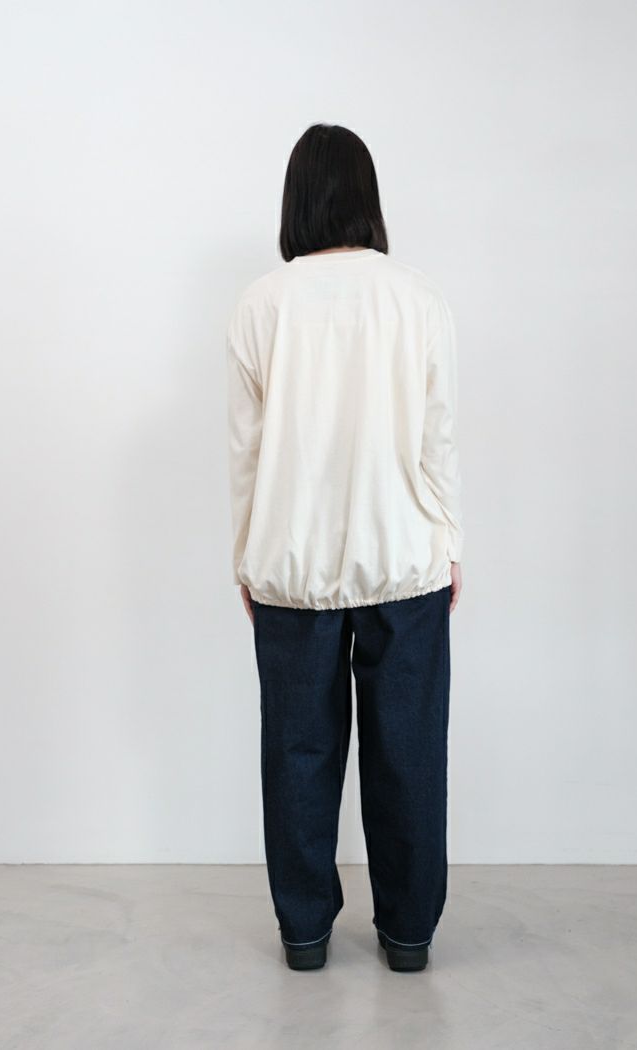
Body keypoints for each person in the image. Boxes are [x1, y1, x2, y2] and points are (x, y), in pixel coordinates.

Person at [225, 123, 464, 972]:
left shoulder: (261, 303)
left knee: (298, 752)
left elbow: (247, 449)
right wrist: (451, 541)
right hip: (403, 556)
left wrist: (247, 555)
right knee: (409, 752)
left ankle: (304, 936)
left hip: (290, 565)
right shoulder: (417, 297)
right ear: (368, 197)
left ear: (296, 199)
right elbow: (438, 437)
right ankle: (408, 936)